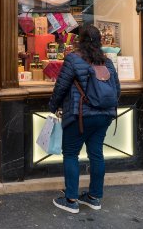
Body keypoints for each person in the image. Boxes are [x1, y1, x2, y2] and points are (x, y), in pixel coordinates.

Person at [47, 24, 121, 214]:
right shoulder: (107, 62)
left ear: (80, 40)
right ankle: (94, 197)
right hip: (104, 115)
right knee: (96, 154)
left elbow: (61, 87)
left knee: (71, 153)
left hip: (80, 116)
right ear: (99, 41)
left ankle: (71, 199)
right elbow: (117, 90)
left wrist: (52, 107)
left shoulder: (73, 59)